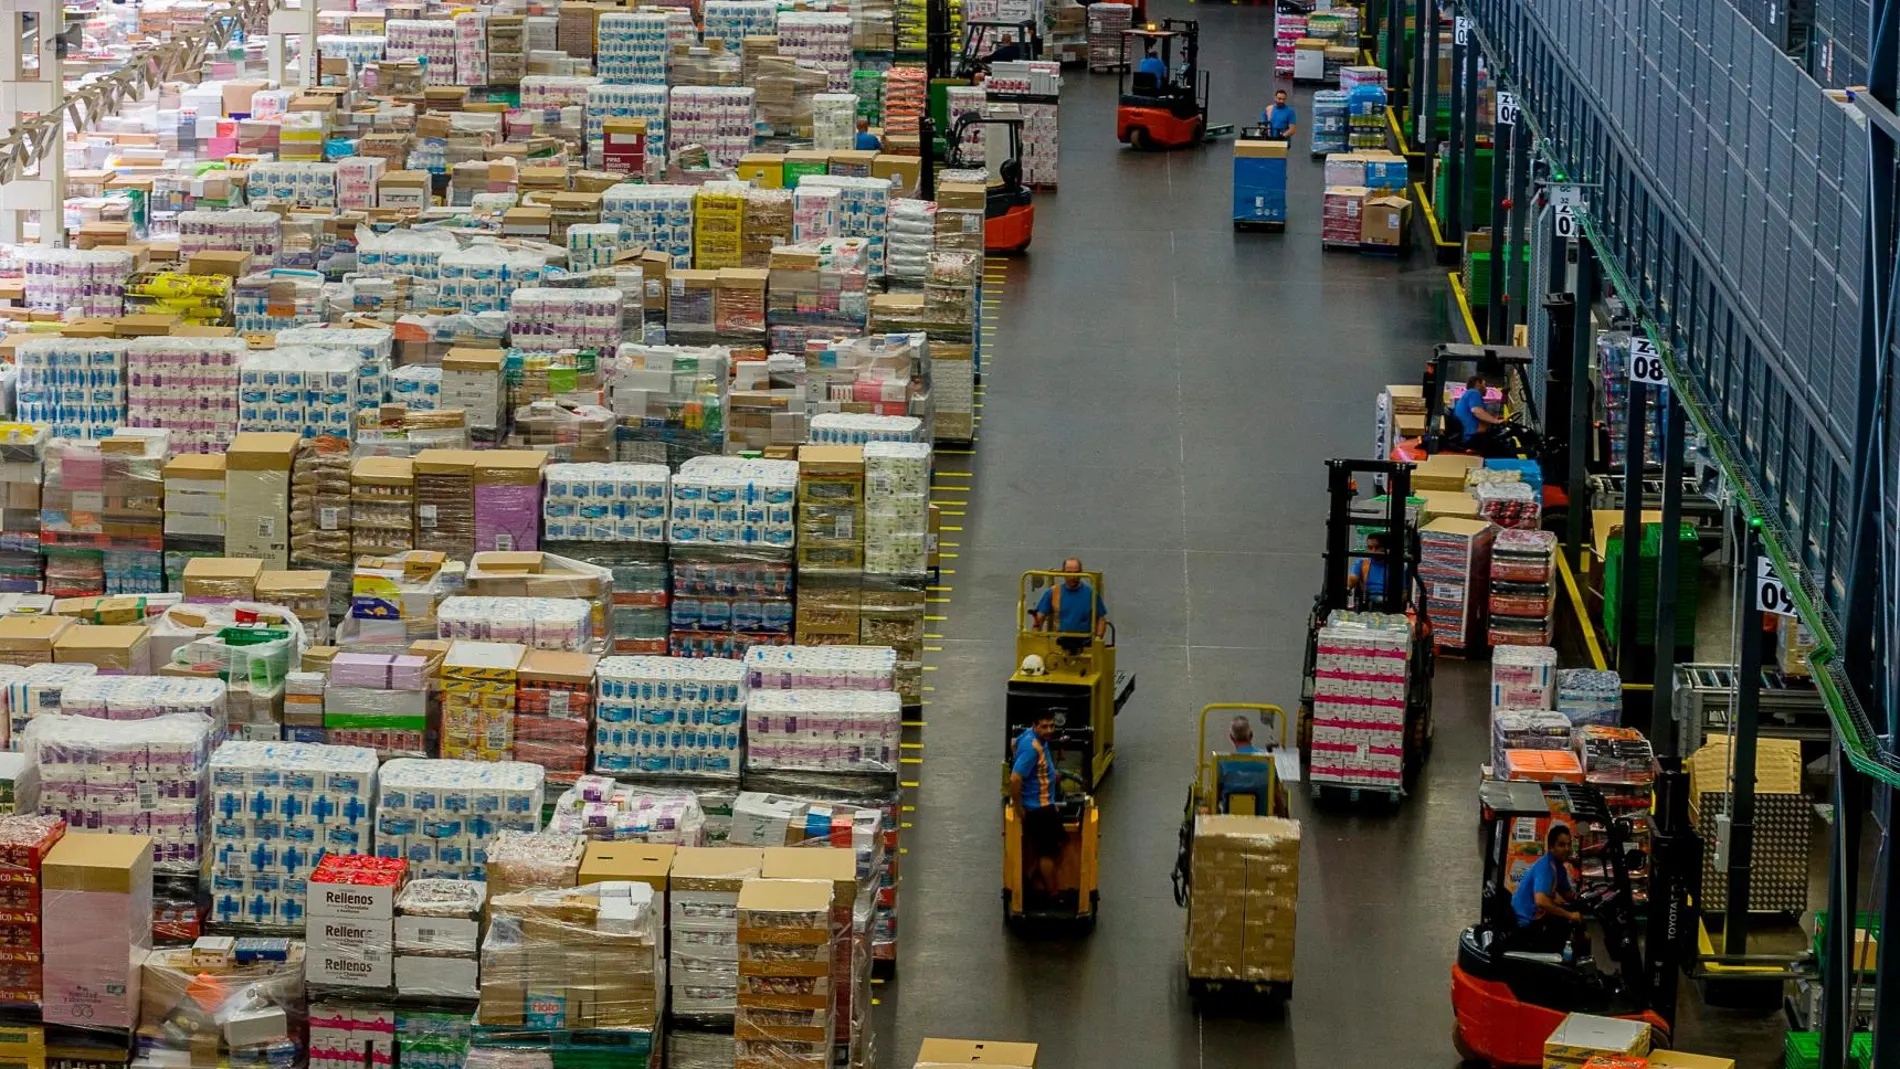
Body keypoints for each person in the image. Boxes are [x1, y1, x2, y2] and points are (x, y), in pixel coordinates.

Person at [1009, 712, 1062, 900]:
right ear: (1035, 726)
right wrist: (1018, 806)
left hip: (1038, 807)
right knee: (1048, 854)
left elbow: (1014, 744)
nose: (1049, 730)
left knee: (1034, 848)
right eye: (1044, 726)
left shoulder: (1028, 737)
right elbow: (1015, 778)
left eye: (1051, 726)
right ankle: (1054, 894)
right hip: (1041, 810)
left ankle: (1026, 883)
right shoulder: (1032, 748)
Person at [1511, 824, 1583, 951]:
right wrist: (1569, 915)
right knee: (1565, 925)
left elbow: (1569, 895)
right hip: (1526, 923)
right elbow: (1541, 900)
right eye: (1561, 845)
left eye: (1568, 844)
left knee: (1569, 917)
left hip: (1536, 917)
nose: (1566, 849)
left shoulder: (1559, 867)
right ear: (1551, 847)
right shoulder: (1546, 867)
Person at [1029, 558, 1109, 638]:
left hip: (1085, 644)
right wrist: (1035, 638)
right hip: (1058, 644)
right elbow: (1039, 619)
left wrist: (1098, 638)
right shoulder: (1053, 592)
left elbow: (1101, 619)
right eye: (1069, 572)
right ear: (1063, 572)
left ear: (1081, 572)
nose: (1072, 576)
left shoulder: (1091, 593)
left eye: (1076, 573)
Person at [1454, 374, 1505, 451]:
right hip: (1473, 438)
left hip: (1469, 438)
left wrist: (1493, 419)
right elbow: (1476, 411)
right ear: (1478, 383)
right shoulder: (1474, 393)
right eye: (1485, 385)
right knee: (1506, 446)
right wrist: (1496, 421)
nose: (1486, 389)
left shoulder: (1466, 396)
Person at [1349, 532, 1392, 607]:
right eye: (1370, 548)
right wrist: (1347, 587)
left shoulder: (1397, 566)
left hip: (1389, 607)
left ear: (1386, 548)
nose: (1373, 552)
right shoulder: (1363, 562)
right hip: (1366, 606)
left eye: (1377, 548)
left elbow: (1404, 593)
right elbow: (1352, 579)